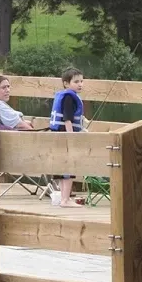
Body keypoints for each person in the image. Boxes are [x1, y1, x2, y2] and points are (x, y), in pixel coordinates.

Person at [49, 67, 87, 207]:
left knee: (61, 165)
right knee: (70, 165)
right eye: (76, 81)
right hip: (66, 135)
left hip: (57, 135)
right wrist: (71, 137)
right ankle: (65, 199)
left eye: (82, 81)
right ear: (66, 83)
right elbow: (67, 119)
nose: (80, 84)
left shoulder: (63, 96)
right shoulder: (70, 97)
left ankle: (63, 198)